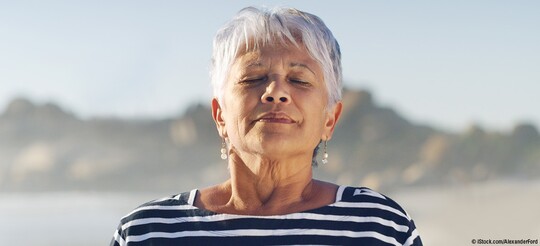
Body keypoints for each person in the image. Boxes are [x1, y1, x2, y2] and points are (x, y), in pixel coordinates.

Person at [110, 6, 422, 246]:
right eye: (253, 78)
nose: (275, 92)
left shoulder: (379, 227)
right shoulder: (146, 232)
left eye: (299, 79)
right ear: (220, 115)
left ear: (329, 119)